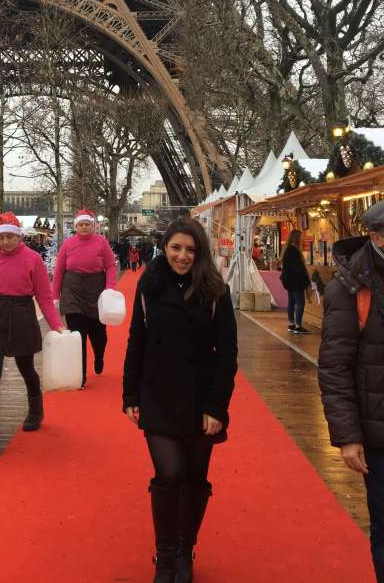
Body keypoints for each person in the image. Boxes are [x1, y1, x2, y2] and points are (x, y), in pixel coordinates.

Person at [123, 217, 238, 583]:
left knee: (194, 478)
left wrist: (217, 406)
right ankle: (167, 553)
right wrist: (129, 393)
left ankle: (186, 550)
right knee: (170, 473)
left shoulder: (215, 290)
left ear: (199, 251)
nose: (183, 256)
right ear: (165, 248)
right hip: (158, 395)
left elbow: (227, 353)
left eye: (190, 249)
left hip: (200, 400)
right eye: (176, 248)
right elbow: (136, 342)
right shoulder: (149, 285)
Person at [319, 198, 384, 583]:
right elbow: (335, 366)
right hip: (382, 432)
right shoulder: (351, 288)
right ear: (377, 238)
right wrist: (347, 436)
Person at [0, 212, 64, 458]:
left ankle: (35, 410)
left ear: (19, 236)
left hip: (21, 315)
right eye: (1, 237)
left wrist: (55, 324)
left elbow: (43, 295)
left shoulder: (33, 259)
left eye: (10, 236)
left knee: (27, 369)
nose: (6, 242)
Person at [53, 209, 117, 387]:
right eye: (81, 224)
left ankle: (99, 356)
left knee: (99, 335)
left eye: (87, 224)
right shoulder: (68, 244)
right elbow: (59, 271)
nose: (84, 227)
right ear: (75, 227)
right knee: (77, 336)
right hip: (72, 291)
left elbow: (111, 266)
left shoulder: (101, 243)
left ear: (93, 226)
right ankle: (80, 376)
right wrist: (55, 296)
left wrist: (110, 288)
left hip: (96, 291)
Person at [280, 229, 311, 334]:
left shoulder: (287, 250)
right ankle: (298, 326)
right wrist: (306, 280)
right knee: (300, 303)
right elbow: (298, 268)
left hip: (289, 281)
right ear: (297, 238)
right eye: (301, 238)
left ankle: (291, 324)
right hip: (296, 282)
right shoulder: (294, 251)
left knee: (291, 302)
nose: (302, 240)